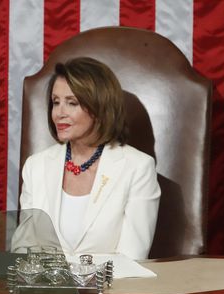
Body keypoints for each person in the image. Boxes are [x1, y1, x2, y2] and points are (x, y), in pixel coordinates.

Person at [14, 57, 161, 260]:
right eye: (56, 102)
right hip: (47, 290)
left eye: (71, 103)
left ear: (99, 108)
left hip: (112, 289)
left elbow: (132, 258)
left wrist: (77, 278)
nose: (59, 113)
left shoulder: (137, 168)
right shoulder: (35, 166)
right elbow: (25, 250)